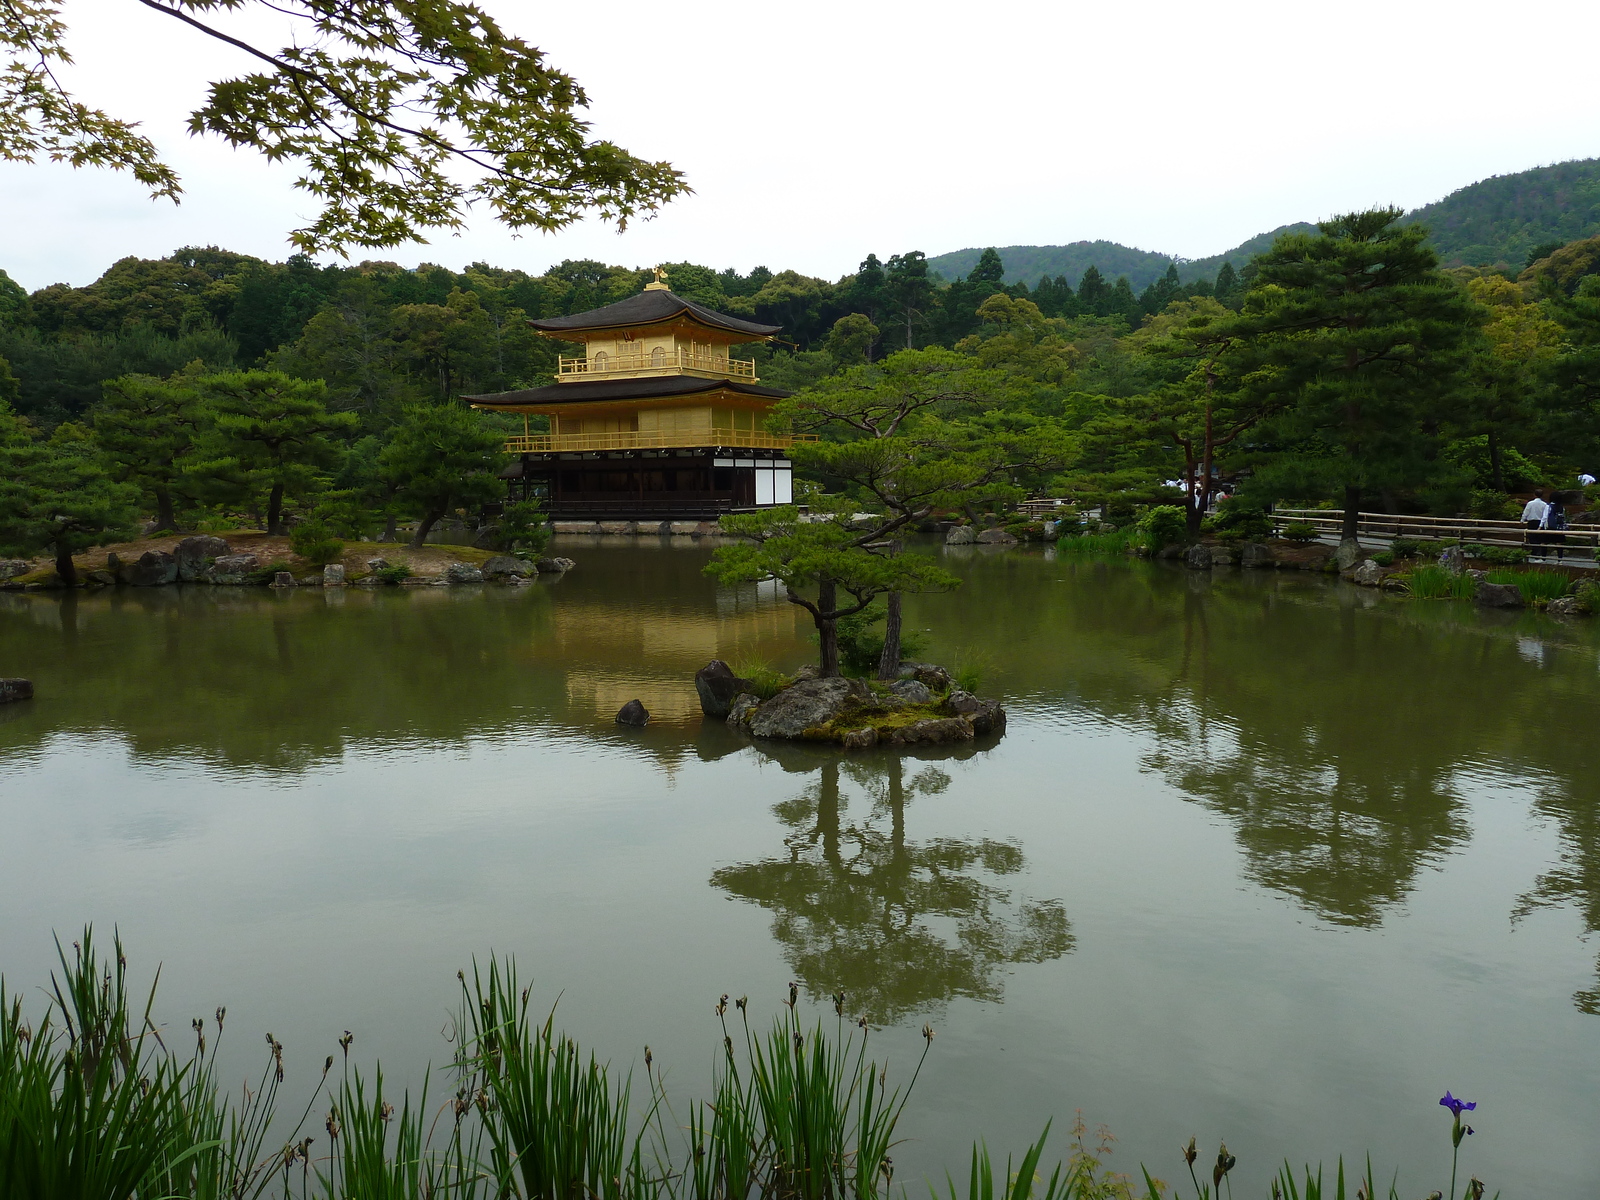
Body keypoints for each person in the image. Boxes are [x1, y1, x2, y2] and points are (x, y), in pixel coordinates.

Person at [1542, 492, 1568, 561]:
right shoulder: (1562, 507)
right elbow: (1564, 517)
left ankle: (1543, 558)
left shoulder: (1549, 506)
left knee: (1544, 542)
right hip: (1559, 527)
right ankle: (1560, 560)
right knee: (1559, 543)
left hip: (1550, 527)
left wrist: (1541, 526)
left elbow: (1545, 517)